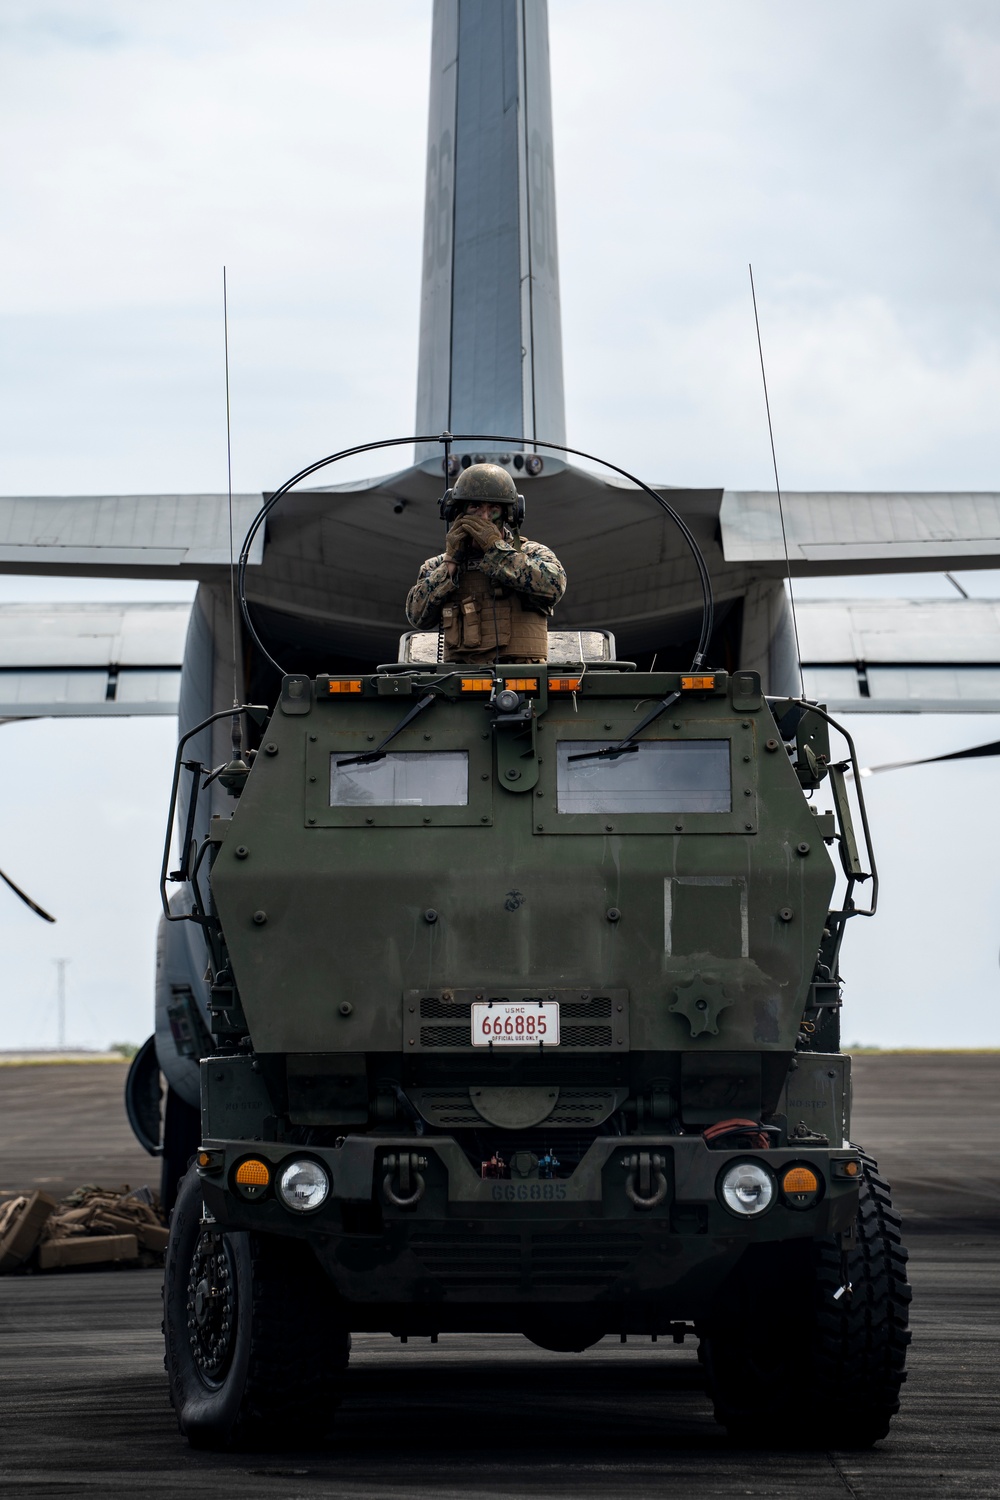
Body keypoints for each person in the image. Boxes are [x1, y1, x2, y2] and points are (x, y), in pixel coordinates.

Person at [405, 463, 566, 663]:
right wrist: (450, 564)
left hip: (522, 674)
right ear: (457, 513)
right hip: (459, 678)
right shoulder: (437, 566)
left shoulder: (530, 553)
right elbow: (416, 616)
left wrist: (496, 550)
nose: (484, 516)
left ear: (509, 513)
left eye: (494, 508)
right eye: (475, 507)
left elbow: (555, 586)